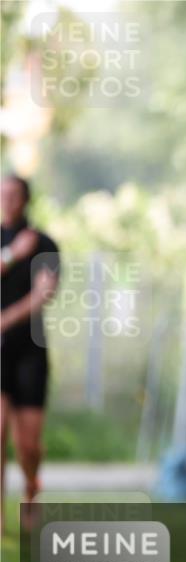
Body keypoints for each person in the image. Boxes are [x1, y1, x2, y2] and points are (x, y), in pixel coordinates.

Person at [0, 175, 60, 533]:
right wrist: (12, 255)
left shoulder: (44, 244)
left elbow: (44, 294)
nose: (7, 199)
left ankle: (32, 488)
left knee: (28, 445)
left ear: (25, 200)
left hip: (30, 353)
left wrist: (4, 320)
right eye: (2, 194)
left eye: (13, 194)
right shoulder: (13, 246)